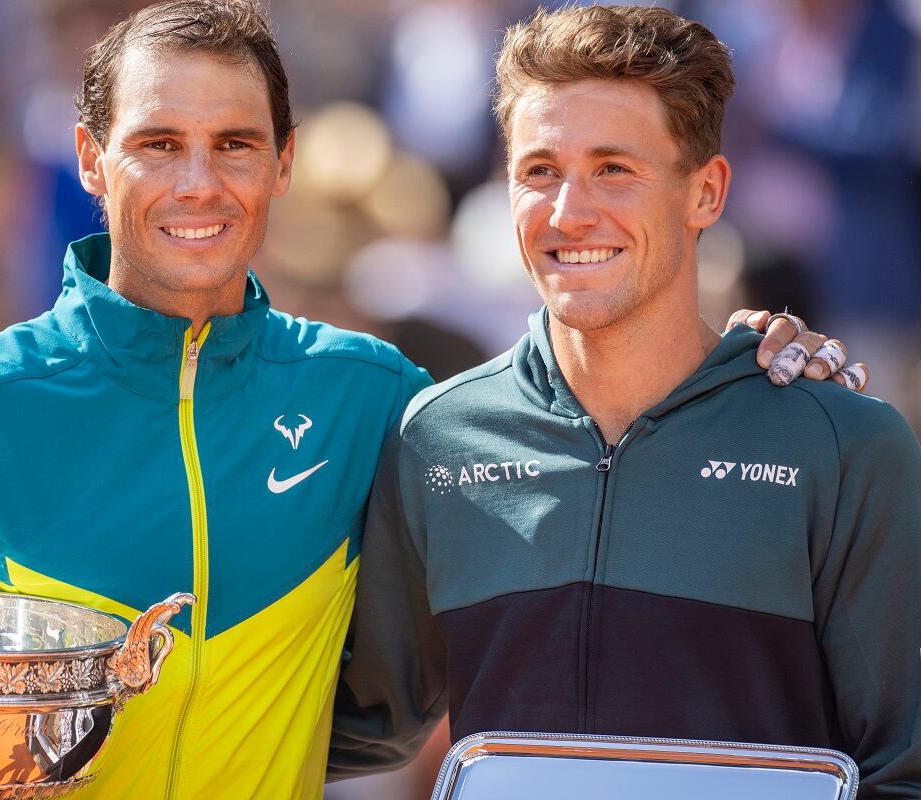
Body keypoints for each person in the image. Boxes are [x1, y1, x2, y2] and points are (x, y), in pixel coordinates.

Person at [0, 2, 852, 799]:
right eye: (157, 145)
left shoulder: (373, 398)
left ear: (284, 165)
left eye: (234, 145)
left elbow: (581, 422)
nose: (197, 184)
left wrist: (742, 360)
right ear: (89, 157)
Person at [328, 6, 920, 797]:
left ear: (706, 192)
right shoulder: (437, 439)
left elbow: (905, 770)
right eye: (539, 170)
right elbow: (355, 727)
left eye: (614, 168)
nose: (570, 212)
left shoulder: (847, 448)